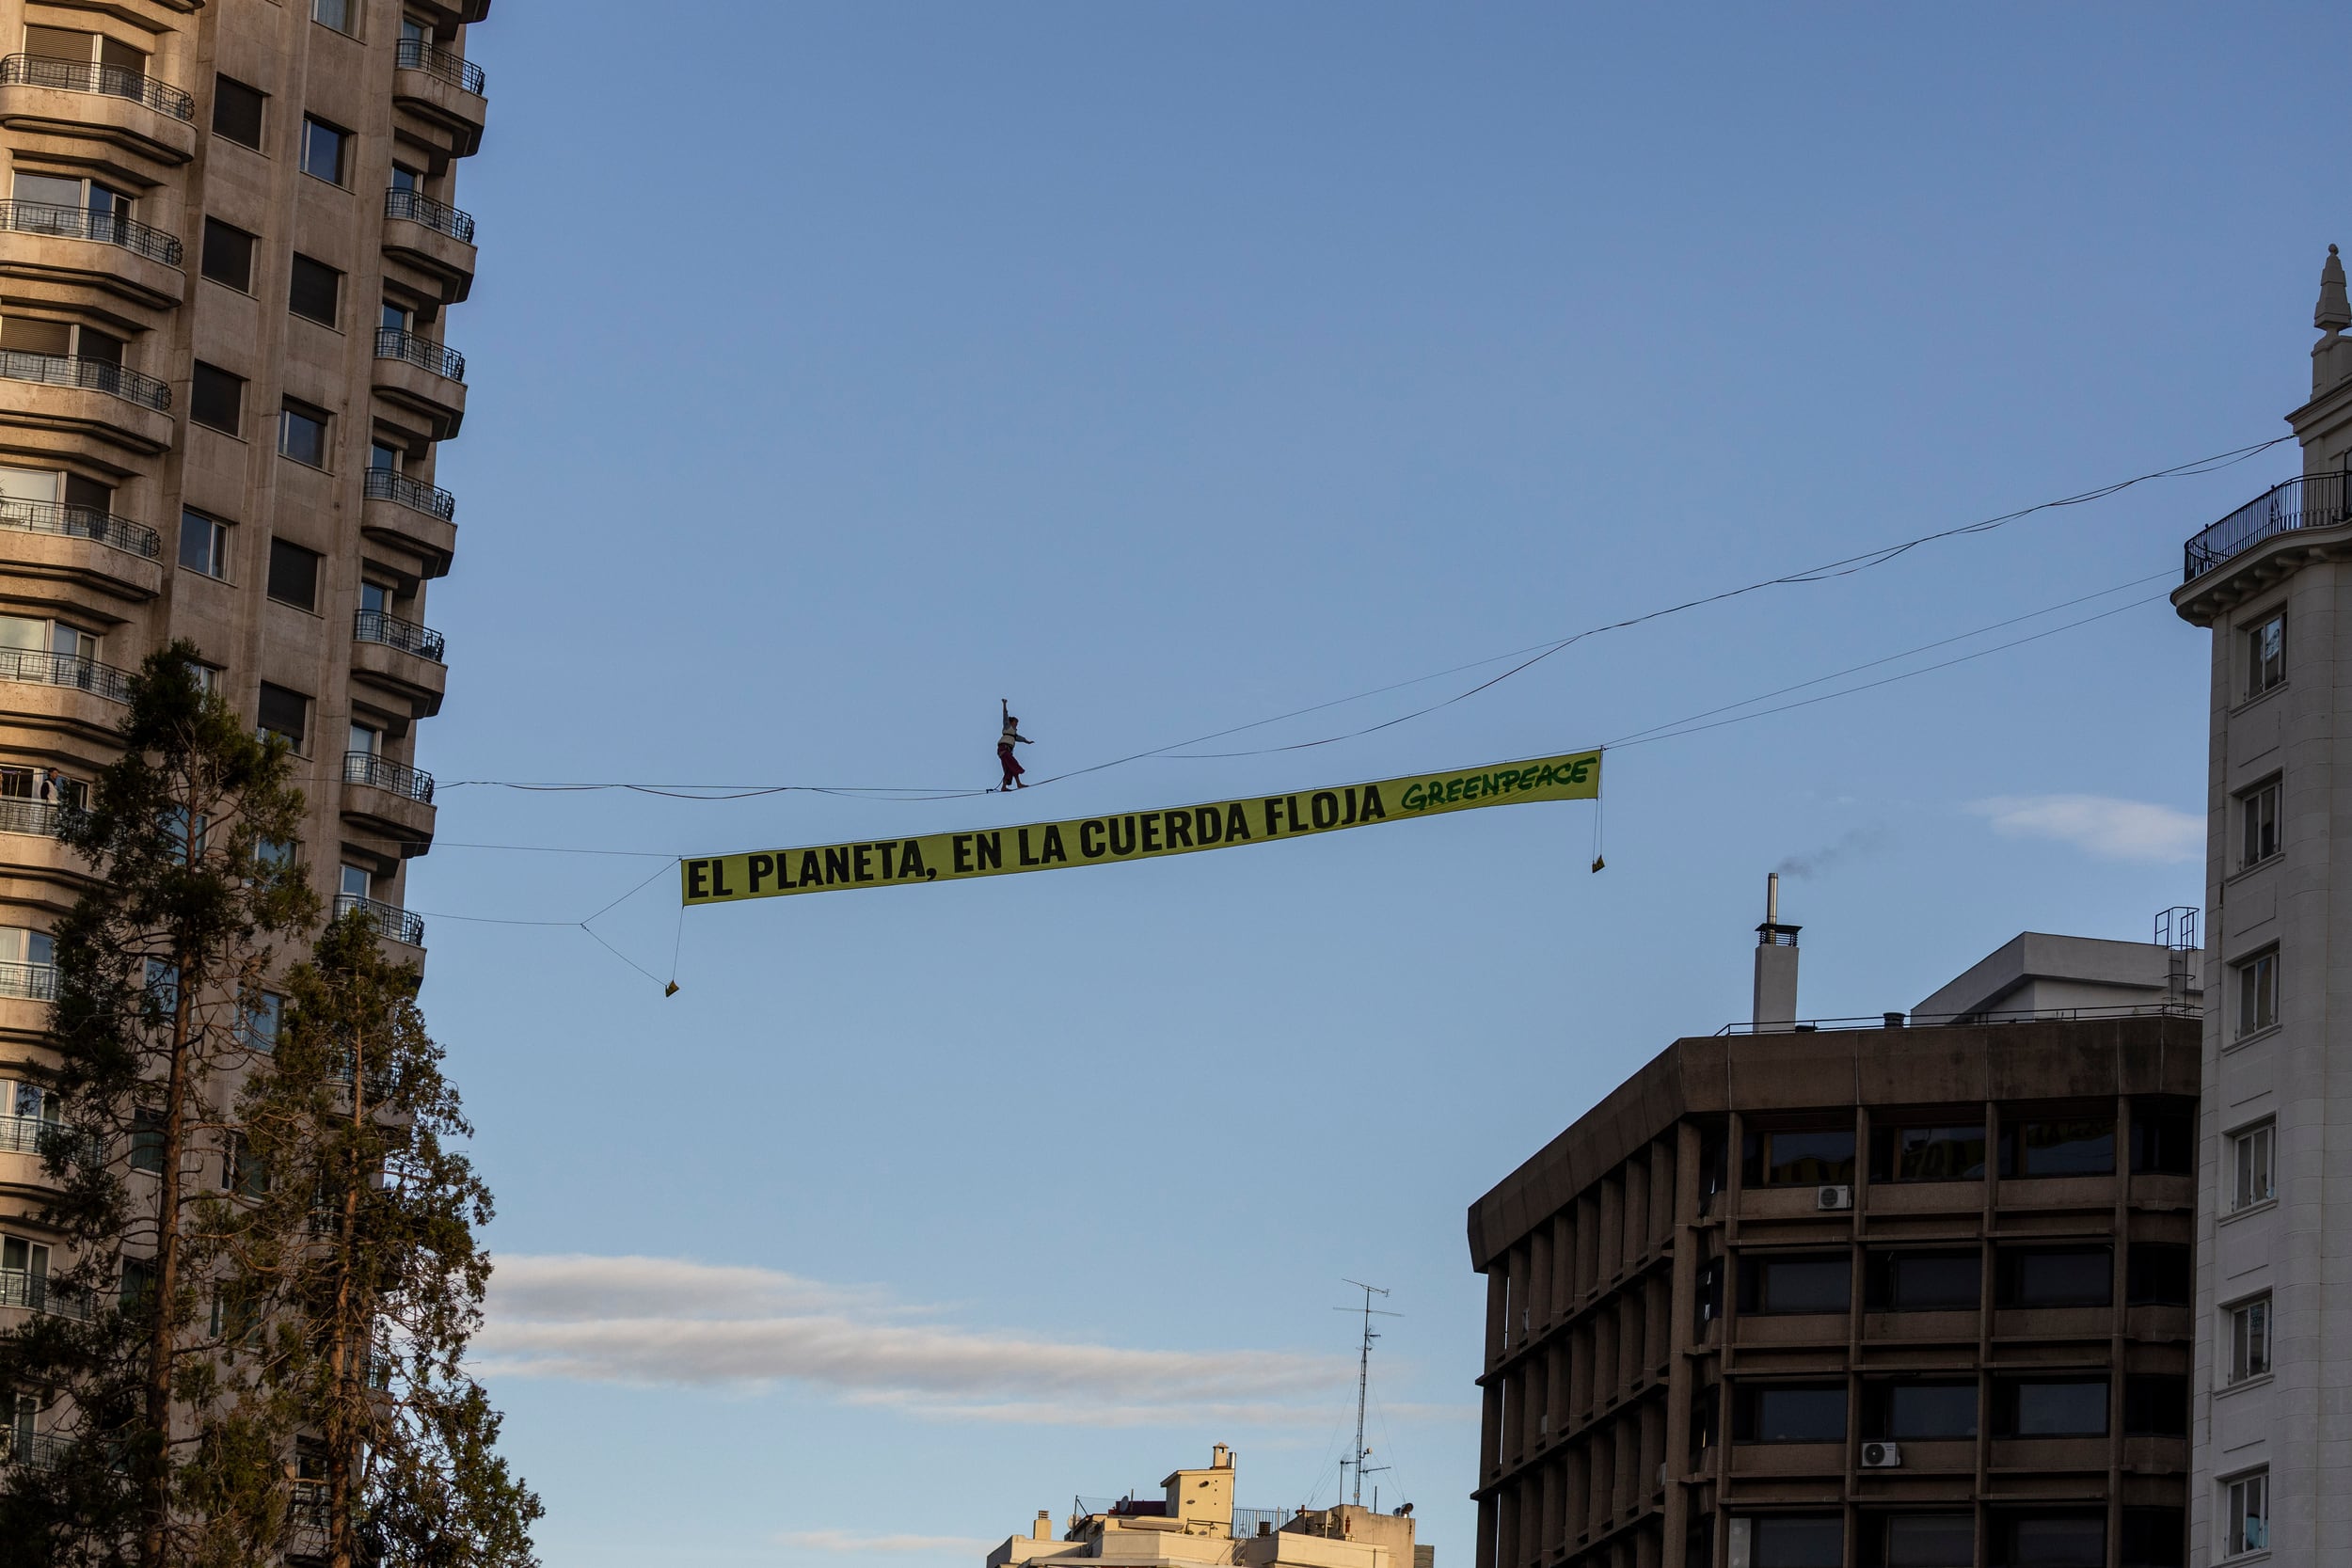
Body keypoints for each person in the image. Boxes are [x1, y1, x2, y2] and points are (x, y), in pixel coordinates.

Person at [997, 699, 1030, 791]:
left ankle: (1004, 787)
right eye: (1016, 722)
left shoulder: (1014, 734)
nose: (1017, 725)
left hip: (1006, 751)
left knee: (1009, 769)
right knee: (1014, 764)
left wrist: (1027, 741)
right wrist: (1004, 704)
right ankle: (1018, 783)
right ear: (1011, 722)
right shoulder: (1007, 726)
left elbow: (1019, 738)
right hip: (1003, 749)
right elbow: (1005, 715)